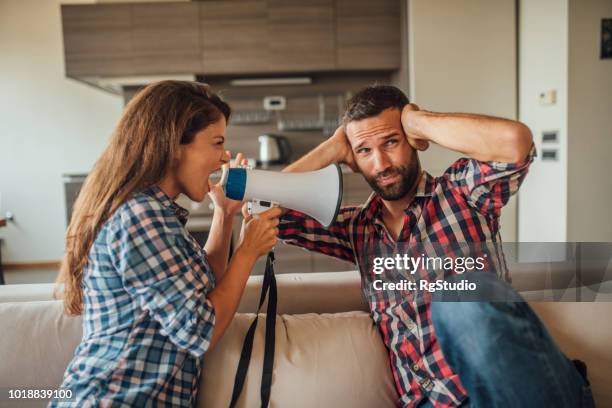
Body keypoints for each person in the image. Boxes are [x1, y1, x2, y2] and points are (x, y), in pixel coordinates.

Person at [279, 85, 593, 407]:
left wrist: (419, 121)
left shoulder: (461, 193)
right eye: (364, 152)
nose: (381, 163)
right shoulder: (357, 229)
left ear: (413, 142)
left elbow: (515, 144)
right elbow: (269, 209)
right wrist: (333, 148)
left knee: (458, 292)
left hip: (504, 391)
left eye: (391, 142)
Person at [51, 80, 280, 406]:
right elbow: (202, 332)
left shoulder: (157, 213)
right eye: (217, 143)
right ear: (174, 144)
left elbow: (204, 294)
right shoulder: (141, 217)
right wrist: (247, 252)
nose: (224, 156)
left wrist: (225, 216)